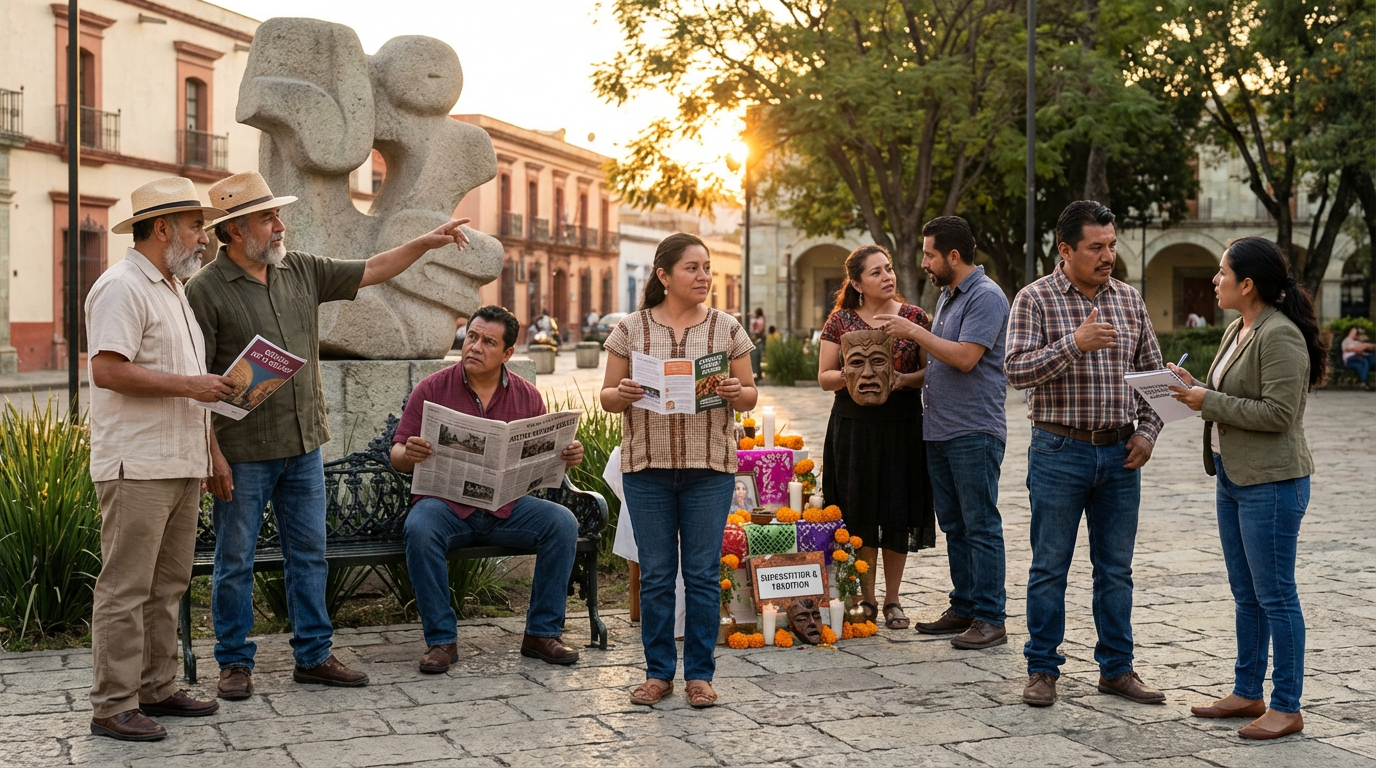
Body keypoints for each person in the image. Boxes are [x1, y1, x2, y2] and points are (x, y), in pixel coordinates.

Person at [186, 171, 471, 700]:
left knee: (310, 554)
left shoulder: (300, 269)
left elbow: (372, 269)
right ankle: (233, 662)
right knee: (234, 560)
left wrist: (425, 242)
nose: (279, 226)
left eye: (277, 215)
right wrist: (212, 456)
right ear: (234, 230)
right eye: (268, 218)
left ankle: (313, 655)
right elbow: (196, 381)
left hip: (304, 444)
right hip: (243, 454)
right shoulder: (202, 291)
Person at [85, 178, 233, 740]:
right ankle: (112, 705)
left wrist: (212, 453)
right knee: (126, 588)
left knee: (168, 584)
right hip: (138, 465)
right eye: (196, 226)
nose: (204, 237)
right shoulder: (122, 287)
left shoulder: (172, 288)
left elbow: (195, 388)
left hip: (180, 462)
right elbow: (107, 370)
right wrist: (190, 387)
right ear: (164, 226)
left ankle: (157, 686)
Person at [1005, 200, 1166, 708]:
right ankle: (1042, 669)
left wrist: (1147, 432)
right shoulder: (1035, 299)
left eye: (1111, 245)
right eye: (1096, 247)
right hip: (1058, 449)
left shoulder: (1129, 300)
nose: (1107, 256)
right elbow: (1015, 372)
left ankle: (1117, 669)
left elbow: (1156, 379)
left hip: (1120, 452)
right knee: (1050, 565)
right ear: (1066, 250)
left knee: (1115, 569)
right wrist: (1074, 344)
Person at [1167, 237, 1326, 740]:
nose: (1215, 280)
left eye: (1221, 273)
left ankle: (1287, 705)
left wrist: (1205, 400)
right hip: (1234, 478)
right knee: (1246, 594)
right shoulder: (1239, 327)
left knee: (1276, 595)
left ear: (1248, 284)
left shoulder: (1279, 335)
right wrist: (1190, 387)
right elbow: (1230, 393)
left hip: (1273, 484)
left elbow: (1280, 415)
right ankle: (1247, 691)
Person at [600, 232, 758, 709]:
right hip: (646, 468)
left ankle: (700, 675)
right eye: (692, 268)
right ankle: (657, 673)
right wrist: (623, 393)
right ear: (664, 276)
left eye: (707, 267)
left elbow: (751, 394)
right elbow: (606, 396)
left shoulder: (727, 328)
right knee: (656, 576)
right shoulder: (631, 328)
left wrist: (735, 392)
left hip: (708, 468)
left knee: (703, 575)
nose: (704, 276)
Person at [390, 305, 586, 672]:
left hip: (506, 508)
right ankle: (442, 641)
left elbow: (542, 460)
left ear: (508, 353)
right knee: (420, 527)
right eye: (472, 337)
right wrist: (409, 452)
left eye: (488, 342)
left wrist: (566, 455)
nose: (474, 347)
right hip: (446, 507)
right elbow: (397, 454)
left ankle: (541, 634)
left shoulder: (527, 395)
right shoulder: (432, 388)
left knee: (562, 523)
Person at [877, 216, 1010, 649]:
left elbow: (966, 358)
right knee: (955, 523)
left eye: (930, 254)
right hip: (939, 428)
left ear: (954, 256)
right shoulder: (950, 297)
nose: (924, 263)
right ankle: (965, 606)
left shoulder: (986, 297)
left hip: (973, 430)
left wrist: (913, 330)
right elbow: (940, 363)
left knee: (980, 524)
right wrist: (905, 379)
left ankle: (990, 617)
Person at [818, 244, 935, 631]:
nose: (887, 276)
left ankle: (893, 599)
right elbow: (824, 377)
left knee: (896, 511)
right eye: (876, 272)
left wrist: (900, 380)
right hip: (853, 427)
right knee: (862, 510)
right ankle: (866, 597)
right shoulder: (840, 322)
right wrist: (856, 377)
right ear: (856, 283)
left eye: (888, 268)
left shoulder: (914, 318)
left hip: (901, 424)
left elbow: (928, 373)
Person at [1341, 326, 1376, 391]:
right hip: (1350, 360)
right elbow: (1355, 349)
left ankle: (1364, 382)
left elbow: (1371, 347)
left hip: (1361, 358)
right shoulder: (1346, 341)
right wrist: (1364, 346)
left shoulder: (1357, 342)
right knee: (1362, 363)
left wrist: (1365, 345)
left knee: (1369, 360)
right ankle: (1364, 382)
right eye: (1354, 332)